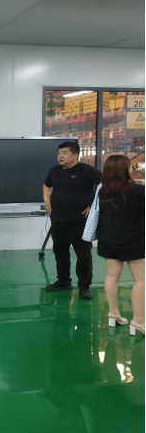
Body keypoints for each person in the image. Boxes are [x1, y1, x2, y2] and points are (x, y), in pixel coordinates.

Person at [43, 141, 101, 299]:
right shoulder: (54, 171)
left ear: (75, 155)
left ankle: (84, 287)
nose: (60, 156)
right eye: (59, 153)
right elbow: (47, 185)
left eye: (64, 153)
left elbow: (105, 184)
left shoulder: (86, 170)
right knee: (60, 252)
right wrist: (47, 201)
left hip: (79, 221)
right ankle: (63, 281)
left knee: (83, 255)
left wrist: (93, 204)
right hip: (58, 220)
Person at [94, 155, 144, 335]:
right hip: (133, 239)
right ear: (125, 169)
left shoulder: (103, 191)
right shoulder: (139, 191)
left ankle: (113, 313)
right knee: (141, 280)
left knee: (112, 275)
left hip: (108, 238)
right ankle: (138, 321)